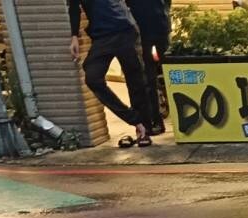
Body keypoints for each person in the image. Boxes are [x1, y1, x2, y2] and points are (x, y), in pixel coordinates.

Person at [69, 0, 153, 147]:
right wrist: (74, 36)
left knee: (135, 81)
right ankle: (134, 119)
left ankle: (143, 129)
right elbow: (74, 7)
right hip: (101, 36)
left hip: (125, 29)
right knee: (93, 78)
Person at [127, 0, 171, 135]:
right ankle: (155, 121)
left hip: (160, 26)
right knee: (148, 79)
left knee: (169, 72)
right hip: (142, 31)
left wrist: (165, 11)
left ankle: (165, 117)